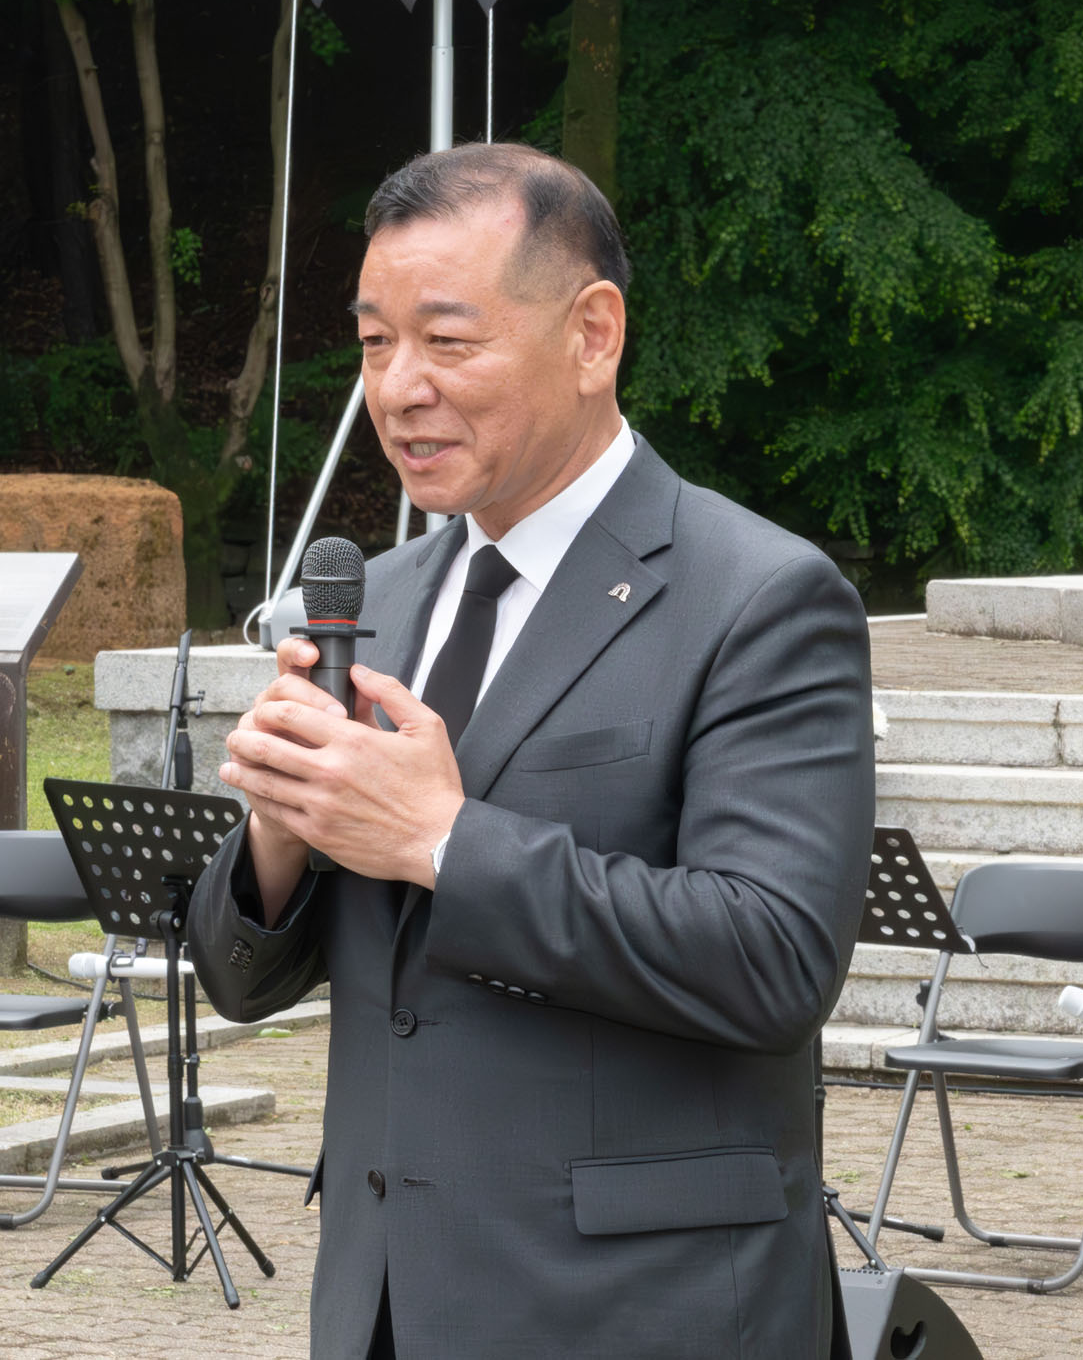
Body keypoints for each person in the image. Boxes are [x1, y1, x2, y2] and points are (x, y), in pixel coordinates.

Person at [187, 142, 873, 1359]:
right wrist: (281, 833)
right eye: (374, 343)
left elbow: (772, 959)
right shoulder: (375, 600)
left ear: (593, 335)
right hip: (386, 1301)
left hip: (642, 1309)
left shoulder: (760, 597)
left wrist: (443, 840)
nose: (400, 388)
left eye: (448, 341)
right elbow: (242, 981)